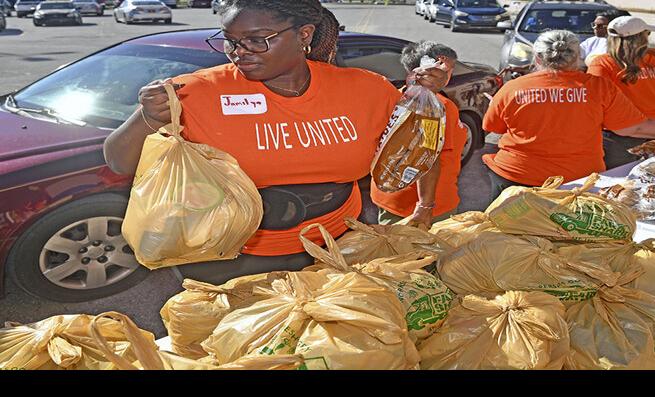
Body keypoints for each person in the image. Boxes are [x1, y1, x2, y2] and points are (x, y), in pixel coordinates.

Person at [102, 0, 450, 284]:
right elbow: (118, 160)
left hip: (338, 251)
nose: (239, 52)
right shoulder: (196, 92)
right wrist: (147, 117)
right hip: (226, 262)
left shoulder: (366, 89)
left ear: (304, 34)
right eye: (231, 40)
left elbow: (419, 150)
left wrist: (425, 207)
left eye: (258, 39)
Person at [482, 30, 655, 200]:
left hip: (515, 177)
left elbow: (494, 127)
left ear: (538, 59)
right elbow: (633, 128)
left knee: (507, 240)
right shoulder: (599, 87)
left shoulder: (513, 88)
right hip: (576, 181)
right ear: (577, 58)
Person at [370, 41, 467, 227]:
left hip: (389, 196)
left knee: (392, 254)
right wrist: (425, 206)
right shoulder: (439, 108)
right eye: (450, 68)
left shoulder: (393, 98)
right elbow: (427, 157)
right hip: (425, 208)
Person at [587, 16, 655, 168]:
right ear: (643, 37)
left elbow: (595, 101)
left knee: (615, 180)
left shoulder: (602, 64)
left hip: (617, 134)